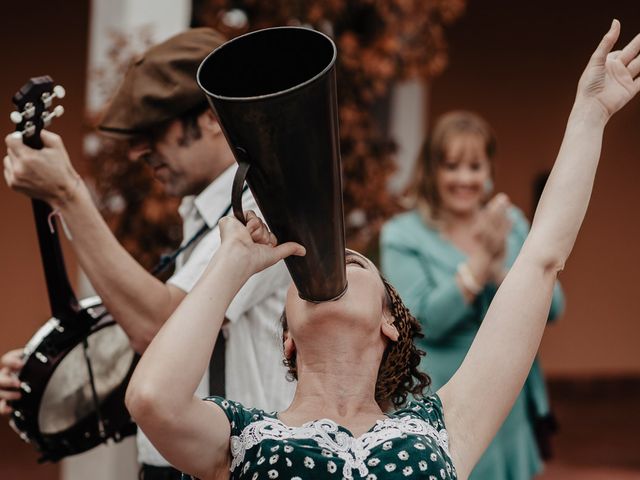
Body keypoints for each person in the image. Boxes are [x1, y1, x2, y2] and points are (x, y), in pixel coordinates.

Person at [123, 20, 640, 480]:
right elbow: (151, 400)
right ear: (288, 342)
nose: (330, 264)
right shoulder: (240, 435)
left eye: (355, 262)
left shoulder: (445, 425)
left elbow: (541, 258)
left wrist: (589, 113)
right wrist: (230, 264)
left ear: (388, 323)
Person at [1, 28, 295, 479]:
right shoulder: (200, 216)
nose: (139, 151)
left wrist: (68, 194)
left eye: (154, 128)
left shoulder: (263, 209)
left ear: (214, 116)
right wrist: (54, 369)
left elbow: (161, 326)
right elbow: (174, 353)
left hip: (234, 466)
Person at [380, 110, 564, 478]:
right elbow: (421, 323)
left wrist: (498, 268)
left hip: (508, 398)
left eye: (474, 166)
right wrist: (479, 263)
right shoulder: (402, 234)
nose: (464, 179)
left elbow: (553, 306)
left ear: (489, 171)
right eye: (452, 166)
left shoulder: (508, 224)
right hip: (442, 398)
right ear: (431, 171)